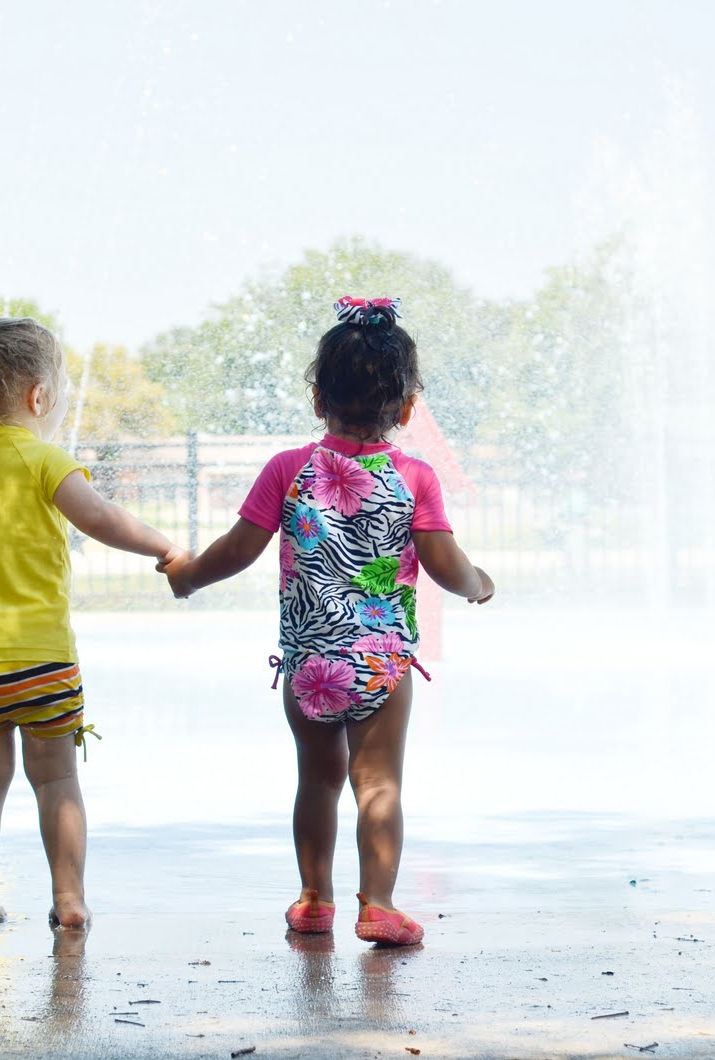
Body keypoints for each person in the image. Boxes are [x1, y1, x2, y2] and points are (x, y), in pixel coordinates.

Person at [161, 296, 494, 946]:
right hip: (382, 661)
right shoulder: (413, 476)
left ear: (319, 399)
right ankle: (380, 904)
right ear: (405, 409)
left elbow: (237, 549)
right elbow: (444, 563)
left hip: (310, 664)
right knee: (378, 785)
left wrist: (187, 575)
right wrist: (478, 584)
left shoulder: (289, 470)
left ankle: (315, 898)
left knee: (317, 780)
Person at [0, 316, 179, 928]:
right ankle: (69, 899)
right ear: (38, 395)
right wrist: (163, 547)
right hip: (45, 663)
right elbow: (101, 518)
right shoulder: (46, 461)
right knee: (56, 782)